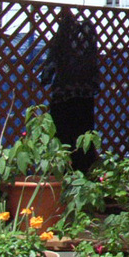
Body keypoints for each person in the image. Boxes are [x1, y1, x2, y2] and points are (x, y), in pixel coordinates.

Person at [41, 9, 99, 172]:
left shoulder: (63, 34)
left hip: (64, 96)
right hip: (85, 97)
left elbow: (52, 61)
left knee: (63, 138)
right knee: (83, 138)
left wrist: (45, 78)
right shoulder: (89, 34)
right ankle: (84, 171)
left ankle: (64, 173)